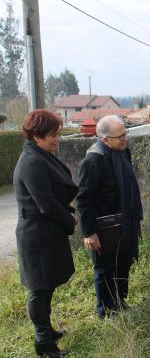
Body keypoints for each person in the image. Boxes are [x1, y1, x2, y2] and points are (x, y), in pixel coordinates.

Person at [13, 109, 78, 357]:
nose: (58, 139)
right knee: (39, 289)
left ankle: (47, 330)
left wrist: (66, 213)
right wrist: (69, 217)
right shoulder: (31, 162)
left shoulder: (40, 154)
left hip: (45, 230)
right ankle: (43, 342)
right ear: (36, 136)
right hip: (36, 235)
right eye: (53, 135)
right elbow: (46, 204)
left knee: (47, 284)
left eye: (59, 134)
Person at [76, 115, 143, 318]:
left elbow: (130, 187)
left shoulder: (122, 152)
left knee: (123, 263)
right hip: (104, 228)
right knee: (105, 269)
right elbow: (83, 199)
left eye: (125, 133)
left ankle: (119, 301)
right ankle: (106, 310)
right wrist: (90, 233)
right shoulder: (93, 161)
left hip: (125, 224)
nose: (125, 139)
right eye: (120, 136)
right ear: (105, 140)